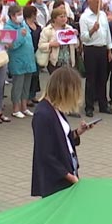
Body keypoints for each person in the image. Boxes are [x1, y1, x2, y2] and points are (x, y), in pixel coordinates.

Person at [31, 67, 96, 197]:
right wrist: (69, 177)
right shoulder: (43, 114)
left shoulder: (55, 109)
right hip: (56, 180)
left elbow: (61, 139)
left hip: (67, 172)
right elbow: (45, 154)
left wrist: (77, 132)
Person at [79, 0, 112, 118]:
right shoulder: (84, 17)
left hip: (102, 49)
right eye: (97, 2)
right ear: (90, 3)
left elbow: (107, 33)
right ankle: (89, 106)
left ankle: (103, 105)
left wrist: (109, 49)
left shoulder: (103, 15)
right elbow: (83, 37)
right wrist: (92, 30)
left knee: (103, 78)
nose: (100, 5)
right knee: (91, 79)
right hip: (90, 50)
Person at [6, 4, 39, 119]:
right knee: (18, 85)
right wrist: (20, 36)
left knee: (26, 85)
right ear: (12, 16)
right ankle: (16, 108)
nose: (21, 17)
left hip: (28, 59)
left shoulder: (23, 24)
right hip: (17, 60)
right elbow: (11, 46)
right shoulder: (8, 28)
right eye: (18, 14)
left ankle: (24, 107)